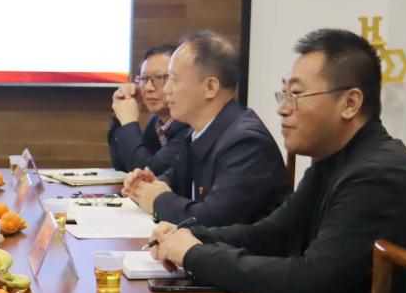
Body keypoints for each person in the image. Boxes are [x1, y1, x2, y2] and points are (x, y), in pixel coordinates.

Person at [151, 28, 406, 293]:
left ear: (350, 103)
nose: (283, 109)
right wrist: (190, 235)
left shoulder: (378, 175)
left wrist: (194, 255)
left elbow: (308, 281)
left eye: (296, 95)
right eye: (283, 94)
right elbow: (271, 234)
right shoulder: (334, 160)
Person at [122, 30, 290, 226]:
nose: (167, 89)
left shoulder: (246, 143)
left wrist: (158, 200)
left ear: (210, 87)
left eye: (173, 79)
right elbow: (173, 183)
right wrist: (149, 185)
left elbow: (213, 220)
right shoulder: (198, 132)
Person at [108, 44, 189, 174]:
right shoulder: (155, 122)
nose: (148, 88)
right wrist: (120, 119)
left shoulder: (189, 123)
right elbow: (122, 164)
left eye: (159, 78)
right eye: (144, 79)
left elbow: (147, 172)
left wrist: (129, 122)